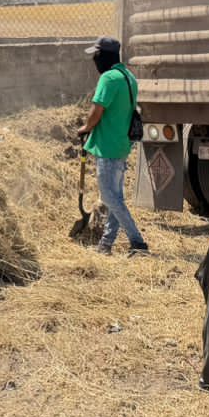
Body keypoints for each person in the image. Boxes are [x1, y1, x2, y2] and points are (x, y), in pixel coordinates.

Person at [76, 36, 148, 255]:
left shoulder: (109, 78)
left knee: (109, 198)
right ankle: (105, 245)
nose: (94, 61)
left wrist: (85, 128)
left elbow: (97, 111)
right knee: (115, 198)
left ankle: (138, 243)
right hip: (121, 144)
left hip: (107, 146)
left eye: (96, 56)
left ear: (103, 57)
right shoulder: (129, 77)